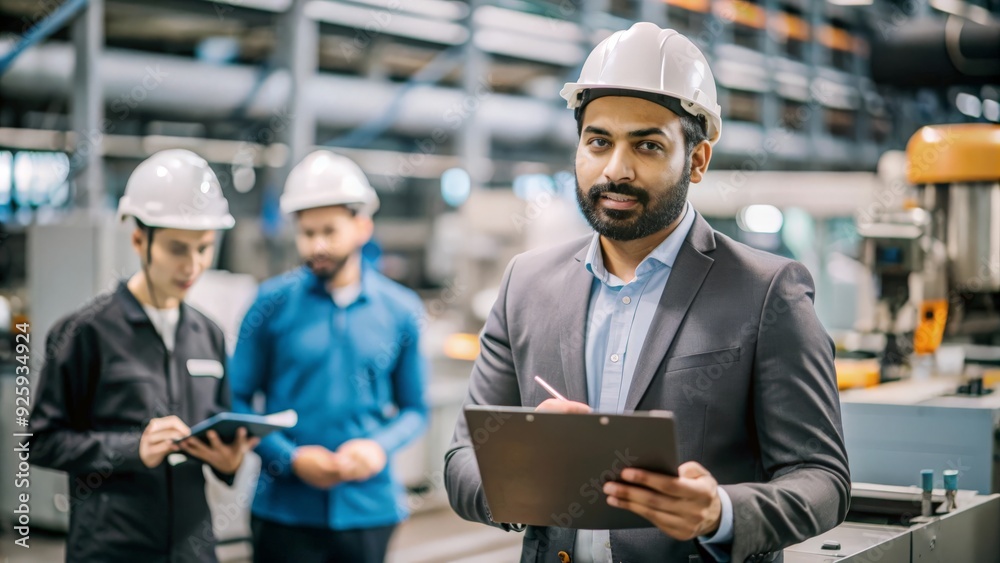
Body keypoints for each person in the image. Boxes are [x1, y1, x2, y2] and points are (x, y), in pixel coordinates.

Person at [444, 23, 850, 563]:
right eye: (598, 142)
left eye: (648, 145)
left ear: (698, 160)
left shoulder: (767, 291)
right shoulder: (526, 284)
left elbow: (822, 478)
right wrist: (526, 478)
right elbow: (463, 458)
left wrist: (719, 512)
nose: (615, 169)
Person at [31, 149, 258, 563]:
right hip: (112, 548)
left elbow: (220, 429)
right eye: (177, 248)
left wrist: (229, 461)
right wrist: (133, 448)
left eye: (204, 248)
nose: (193, 265)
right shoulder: (86, 333)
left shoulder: (207, 334)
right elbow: (43, 441)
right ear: (139, 238)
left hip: (192, 548)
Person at [230, 150, 428, 563]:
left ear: (362, 226)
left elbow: (415, 409)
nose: (316, 244)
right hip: (283, 510)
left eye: (329, 231)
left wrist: (378, 447)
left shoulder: (401, 310)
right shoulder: (269, 305)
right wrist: (289, 458)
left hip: (369, 510)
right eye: (307, 232)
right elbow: (237, 400)